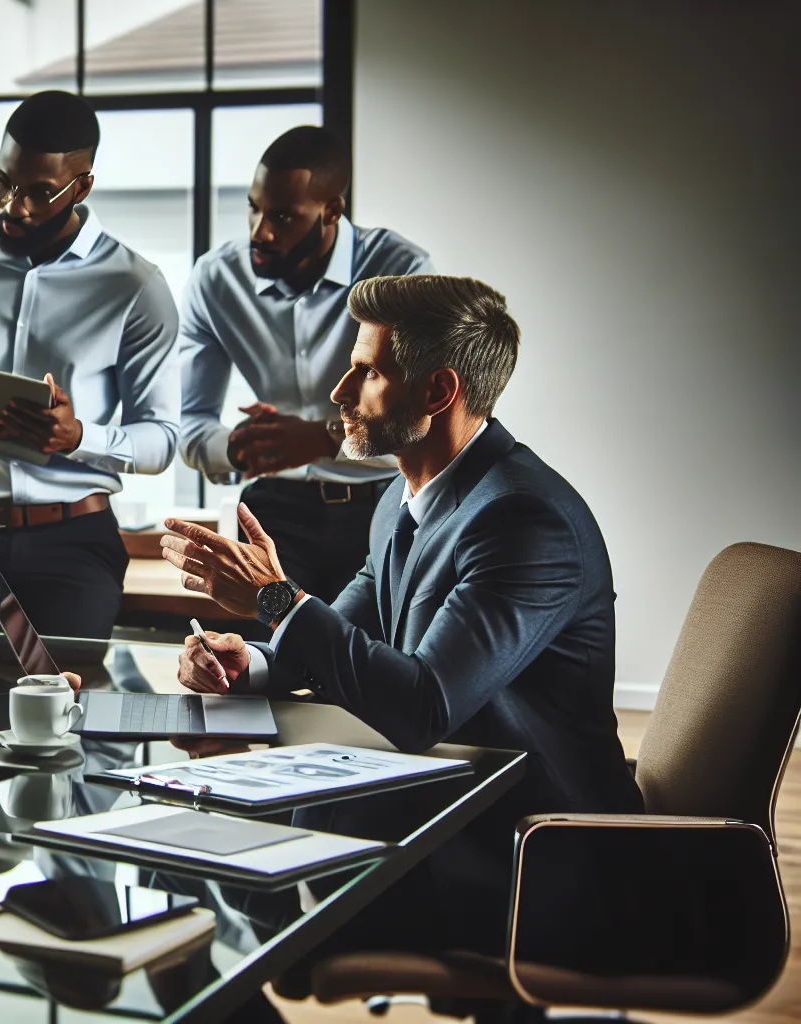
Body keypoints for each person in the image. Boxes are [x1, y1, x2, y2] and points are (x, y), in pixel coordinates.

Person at [162, 276, 641, 1014]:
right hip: (440, 812)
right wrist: (247, 660)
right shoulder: (403, 498)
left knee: (196, 886)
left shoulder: (522, 521)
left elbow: (422, 705)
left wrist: (274, 598)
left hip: (526, 857)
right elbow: (344, 633)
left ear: (436, 391)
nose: (340, 391)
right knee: (186, 859)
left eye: (369, 371)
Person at [0, 89, 179, 639]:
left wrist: (78, 437)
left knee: (59, 692)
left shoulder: (135, 286)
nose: (12, 205)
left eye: (40, 192)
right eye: (3, 181)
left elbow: (163, 439)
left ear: (82, 187)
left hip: (75, 536)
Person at [179, 126, 433, 602]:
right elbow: (189, 427)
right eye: (254, 209)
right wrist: (240, 447)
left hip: (382, 509)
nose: (261, 232)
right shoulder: (216, 279)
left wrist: (321, 438)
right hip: (272, 514)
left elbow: (422, 424)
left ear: (331, 210)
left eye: (283, 216)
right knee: (268, 663)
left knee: (372, 667)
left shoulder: (402, 270)